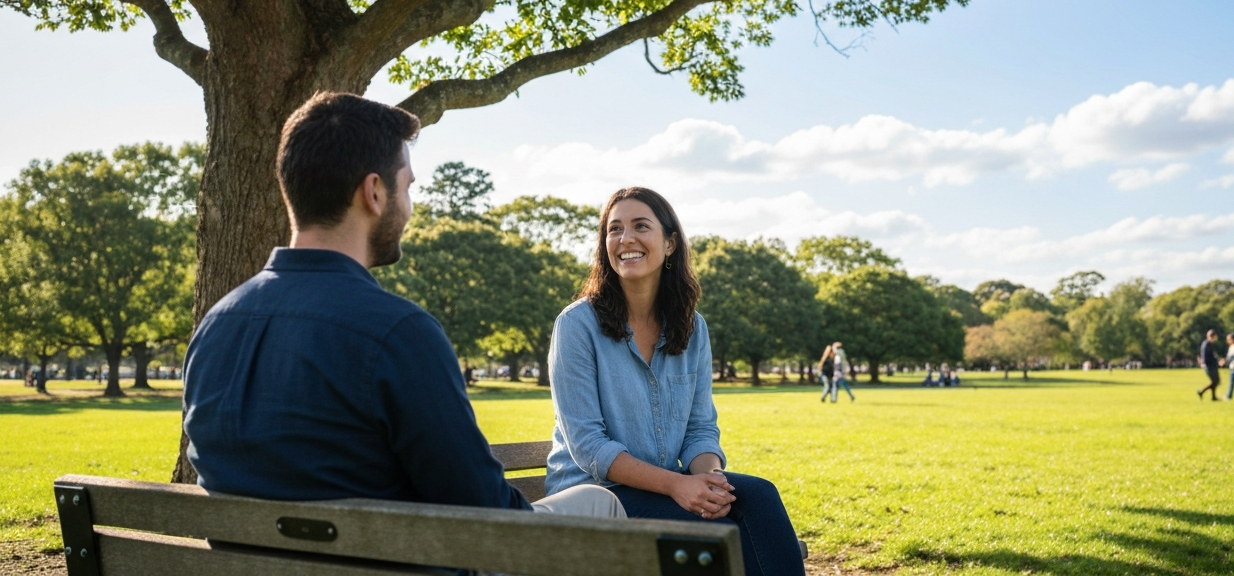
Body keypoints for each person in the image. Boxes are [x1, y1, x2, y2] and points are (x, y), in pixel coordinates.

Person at [182, 92, 621, 519]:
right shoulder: (398, 332)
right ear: (374, 192)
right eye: (407, 186)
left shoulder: (215, 325)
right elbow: (484, 512)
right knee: (598, 502)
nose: (409, 206)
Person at [546, 187, 806, 576]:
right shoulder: (577, 325)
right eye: (614, 229)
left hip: (663, 484)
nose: (626, 238)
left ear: (669, 243)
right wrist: (676, 486)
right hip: (596, 495)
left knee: (759, 497)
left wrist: (710, 479)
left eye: (640, 226)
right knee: (715, 532)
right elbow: (588, 446)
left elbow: (700, 428)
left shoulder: (691, 326)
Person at [1196, 329, 1221, 401]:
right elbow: (1205, 356)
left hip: (1213, 365)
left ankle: (1213, 397)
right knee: (1215, 381)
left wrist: (1217, 360)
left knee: (1216, 381)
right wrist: (1204, 363)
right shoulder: (1206, 344)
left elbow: (1213, 355)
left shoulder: (1210, 344)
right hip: (1209, 366)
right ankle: (1202, 392)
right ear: (1210, 336)